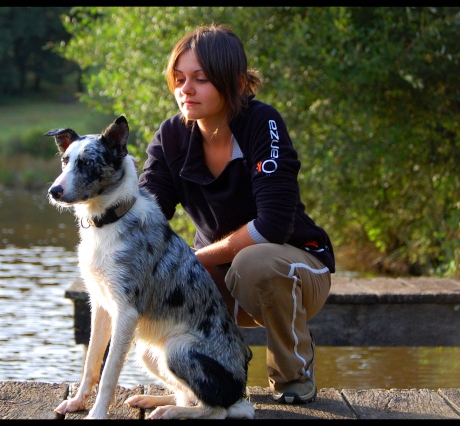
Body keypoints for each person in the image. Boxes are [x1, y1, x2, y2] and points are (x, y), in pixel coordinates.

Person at [138, 23, 335, 404]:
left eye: (201, 79)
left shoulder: (263, 123)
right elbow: (146, 218)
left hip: (297, 267)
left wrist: (193, 260)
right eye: (179, 79)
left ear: (238, 83)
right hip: (217, 280)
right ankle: (199, 388)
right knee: (161, 310)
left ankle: (293, 378)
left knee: (254, 262)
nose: (185, 89)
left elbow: (274, 225)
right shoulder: (171, 137)